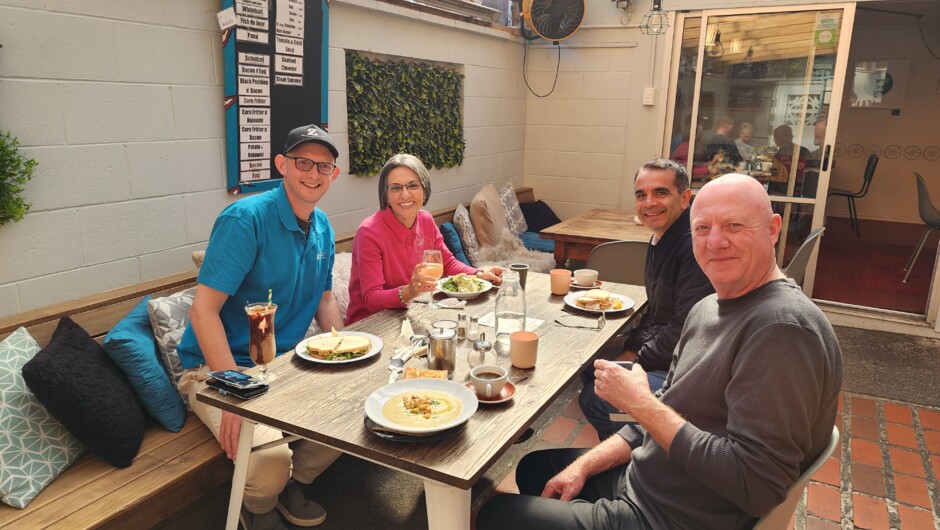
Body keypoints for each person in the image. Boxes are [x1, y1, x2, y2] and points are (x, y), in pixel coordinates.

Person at [477, 173, 843, 530]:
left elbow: (756, 487)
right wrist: (586, 466)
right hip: (649, 479)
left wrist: (641, 404)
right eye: (702, 228)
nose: (715, 242)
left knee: (495, 516)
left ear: (773, 228)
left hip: (669, 517)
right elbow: (664, 410)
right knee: (534, 470)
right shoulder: (709, 307)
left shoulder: (781, 330)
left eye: (734, 226)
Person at [176, 124, 345, 529]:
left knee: (355, 412)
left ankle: (291, 484)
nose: (313, 173)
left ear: (333, 175)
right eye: (303, 162)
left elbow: (324, 299)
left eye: (324, 166)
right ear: (282, 165)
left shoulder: (322, 227)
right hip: (215, 369)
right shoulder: (246, 219)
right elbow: (203, 312)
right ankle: (260, 507)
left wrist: (347, 352)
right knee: (268, 461)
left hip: (282, 364)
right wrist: (230, 387)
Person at [578, 158, 713, 440]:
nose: (649, 202)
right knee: (589, 370)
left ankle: (644, 459)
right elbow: (656, 313)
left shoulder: (692, 247)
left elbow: (684, 328)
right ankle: (625, 443)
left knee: (596, 399)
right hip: (667, 353)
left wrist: (637, 357)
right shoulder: (661, 236)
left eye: (661, 192)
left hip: (688, 370)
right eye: (641, 195)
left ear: (685, 197)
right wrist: (631, 348)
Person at [345, 153, 503, 325]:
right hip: (370, 326)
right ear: (386, 195)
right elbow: (371, 299)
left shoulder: (426, 220)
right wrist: (409, 292)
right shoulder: (369, 232)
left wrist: (478, 274)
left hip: (410, 315)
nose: (405, 195)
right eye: (395, 188)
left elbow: (447, 263)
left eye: (412, 185)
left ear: (425, 190)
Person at [770, 124, 811, 196]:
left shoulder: (774, 154)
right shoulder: (804, 151)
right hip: (799, 193)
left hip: (776, 192)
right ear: (791, 137)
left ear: (776, 139)